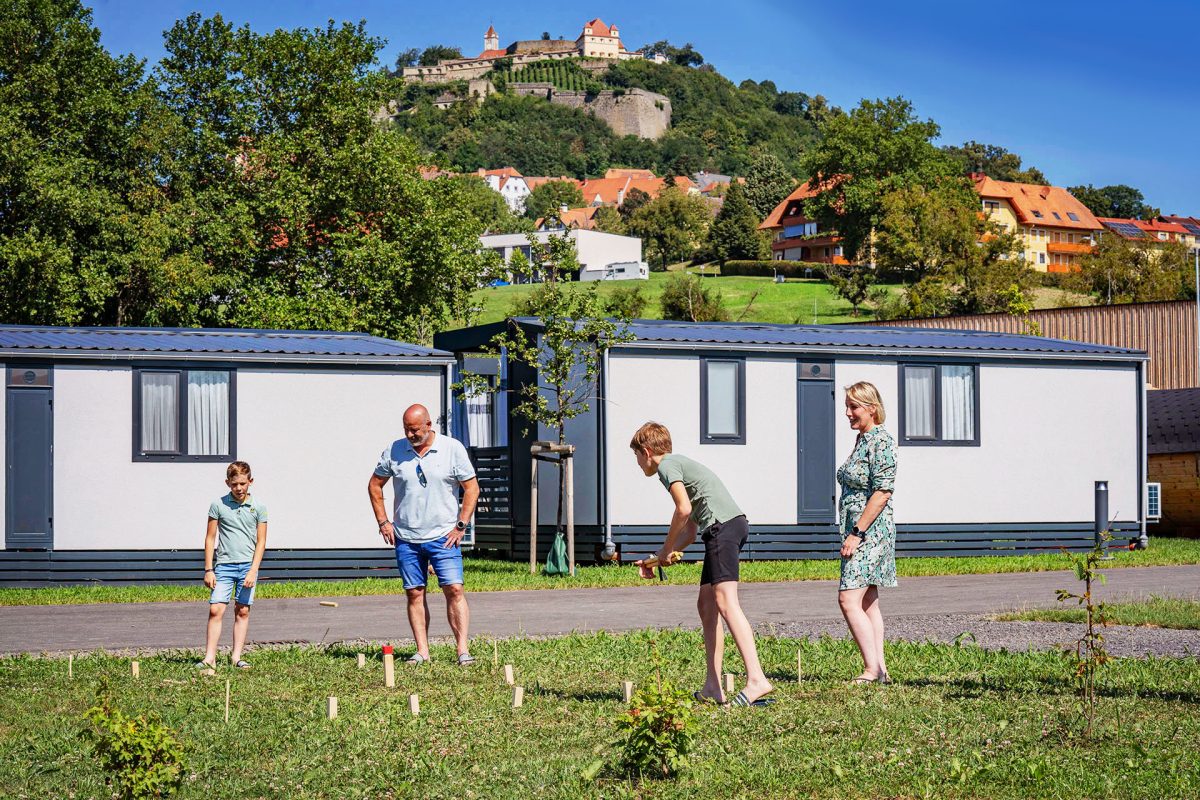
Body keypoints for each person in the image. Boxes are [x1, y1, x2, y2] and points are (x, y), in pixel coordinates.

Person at [630, 422, 775, 707]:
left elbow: (683, 509)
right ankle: (712, 686)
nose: (637, 463)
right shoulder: (679, 465)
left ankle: (757, 679)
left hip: (722, 528)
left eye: (636, 456)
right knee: (707, 605)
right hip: (724, 527)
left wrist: (667, 548)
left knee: (726, 602)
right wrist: (661, 556)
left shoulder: (666, 466)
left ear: (646, 452)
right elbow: (690, 531)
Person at [369, 404, 480, 665]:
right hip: (406, 537)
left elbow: (472, 488)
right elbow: (374, 485)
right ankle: (422, 651)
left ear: (429, 425)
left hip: (444, 536)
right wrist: (383, 522)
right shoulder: (394, 450)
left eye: (415, 430)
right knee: (415, 593)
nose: (410, 435)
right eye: (406, 429)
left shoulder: (452, 449)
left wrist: (461, 525)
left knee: (454, 589)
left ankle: (463, 650)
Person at [836, 381, 898, 684]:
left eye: (853, 407)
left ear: (872, 408)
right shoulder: (862, 440)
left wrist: (857, 532)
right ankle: (880, 669)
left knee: (848, 599)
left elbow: (882, 491)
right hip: (858, 528)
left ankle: (871, 669)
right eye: (846, 407)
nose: (848, 413)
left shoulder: (881, 441)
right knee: (867, 600)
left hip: (870, 531)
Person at [198, 461, 268, 670]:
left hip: (248, 566)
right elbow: (210, 538)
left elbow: (261, 541)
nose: (238, 488)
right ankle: (209, 658)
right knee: (216, 609)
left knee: (242, 610)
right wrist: (208, 569)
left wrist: (253, 570)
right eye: (234, 484)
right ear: (227, 483)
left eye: (242, 484)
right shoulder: (218, 505)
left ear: (250, 482)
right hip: (224, 566)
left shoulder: (259, 507)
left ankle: (236, 657)